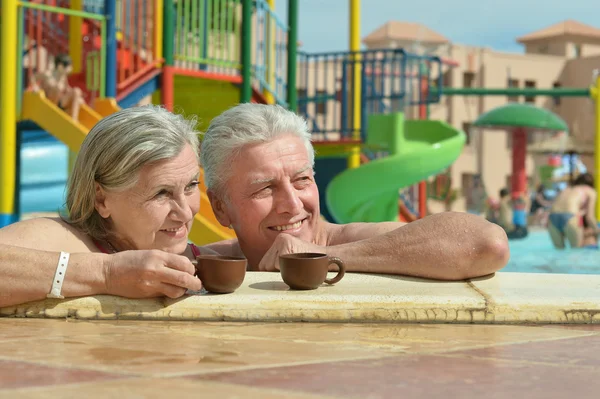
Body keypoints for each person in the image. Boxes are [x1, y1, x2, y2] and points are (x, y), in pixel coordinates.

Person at [200, 103, 510, 279]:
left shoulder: (353, 241)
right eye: (265, 188)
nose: (292, 204)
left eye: (302, 181)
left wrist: (322, 257)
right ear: (220, 208)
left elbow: (488, 244)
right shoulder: (211, 261)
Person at [0, 106, 207, 308]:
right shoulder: (66, 241)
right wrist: (107, 274)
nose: (185, 212)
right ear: (101, 199)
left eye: (191, 185)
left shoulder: (203, 259)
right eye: (161, 193)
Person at [548, 172, 599, 249]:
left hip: (552, 217)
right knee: (576, 252)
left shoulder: (567, 189)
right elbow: (590, 217)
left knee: (558, 252)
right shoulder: (590, 191)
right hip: (571, 217)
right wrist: (597, 231)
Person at [30, 54, 84, 120]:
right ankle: (54, 113)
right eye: (69, 66)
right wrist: (35, 87)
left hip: (60, 103)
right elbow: (33, 77)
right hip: (49, 103)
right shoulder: (48, 75)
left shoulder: (63, 77)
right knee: (56, 88)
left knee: (77, 91)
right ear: (60, 66)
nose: (71, 69)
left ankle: (74, 119)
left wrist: (77, 97)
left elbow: (68, 90)